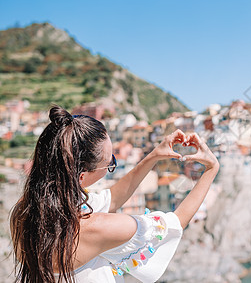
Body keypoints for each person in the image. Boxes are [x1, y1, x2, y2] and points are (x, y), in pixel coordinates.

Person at [9, 105, 219, 283]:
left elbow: (112, 198)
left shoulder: (25, 211)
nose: (112, 165)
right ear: (82, 177)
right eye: (110, 164)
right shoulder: (94, 229)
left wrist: (153, 156)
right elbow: (175, 222)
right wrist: (211, 169)